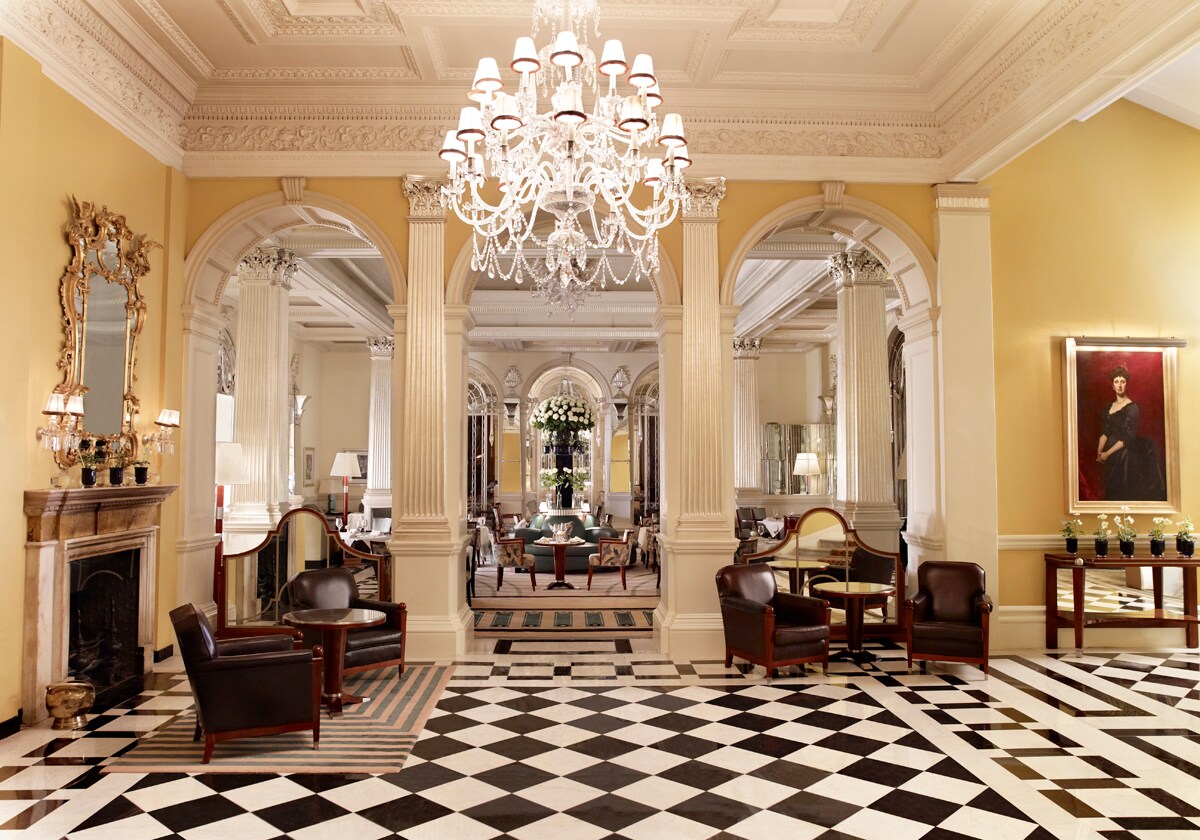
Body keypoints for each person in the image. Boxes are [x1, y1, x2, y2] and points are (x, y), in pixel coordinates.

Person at [1096, 365, 1165, 500]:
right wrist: (1099, 451)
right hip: (1106, 453)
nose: (1120, 385)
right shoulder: (1109, 407)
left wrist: (1107, 454)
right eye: (1116, 381)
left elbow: (1128, 437)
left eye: (1123, 381)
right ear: (1112, 385)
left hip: (1123, 453)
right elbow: (1105, 431)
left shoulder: (1132, 407)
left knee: (1121, 490)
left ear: (1126, 384)